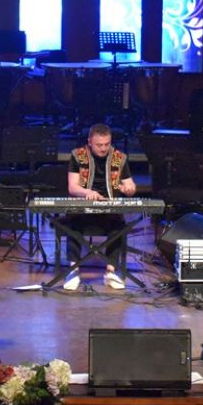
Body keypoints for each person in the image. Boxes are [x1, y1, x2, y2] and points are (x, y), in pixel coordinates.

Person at [63, 123, 137, 290]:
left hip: (109, 210)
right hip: (83, 209)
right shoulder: (77, 156)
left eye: (106, 144)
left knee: (118, 226)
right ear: (90, 141)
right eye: (99, 145)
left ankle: (110, 272)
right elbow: (72, 187)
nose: (103, 149)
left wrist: (130, 189)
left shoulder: (120, 158)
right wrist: (87, 192)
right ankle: (74, 270)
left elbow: (130, 185)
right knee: (72, 224)